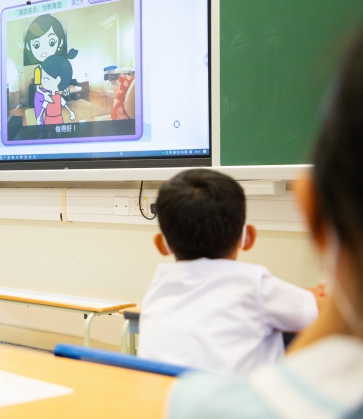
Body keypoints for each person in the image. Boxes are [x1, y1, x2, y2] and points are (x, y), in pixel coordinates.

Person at [167, 31, 363, 418]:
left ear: (311, 209)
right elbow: (311, 308)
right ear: (246, 236)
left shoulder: (201, 406)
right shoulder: (254, 282)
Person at [138, 169, 322, 375]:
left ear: (161, 245)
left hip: (162, 393)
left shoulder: (158, 288)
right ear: (248, 237)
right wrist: (316, 295)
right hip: (232, 395)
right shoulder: (254, 284)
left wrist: (302, 293)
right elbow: (329, 311)